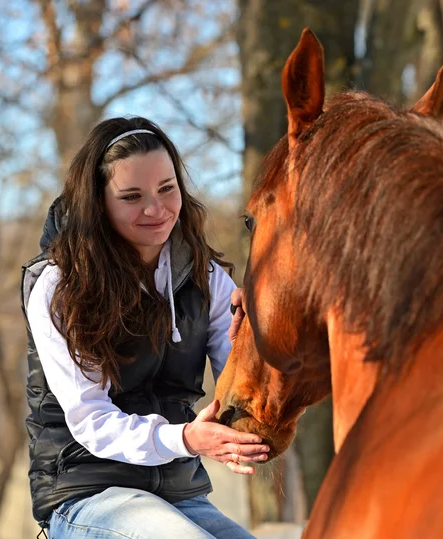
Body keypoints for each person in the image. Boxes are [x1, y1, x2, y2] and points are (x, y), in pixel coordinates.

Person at [21, 116, 266, 538]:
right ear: (98, 203)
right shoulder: (61, 285)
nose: (156, 209)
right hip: (87, 492)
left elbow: (246, 382)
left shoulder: (204, 277)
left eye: (167, 189)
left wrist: (262, 333)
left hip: (179, 492)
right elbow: (91, 420)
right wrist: (187, 439)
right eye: (132, 196)